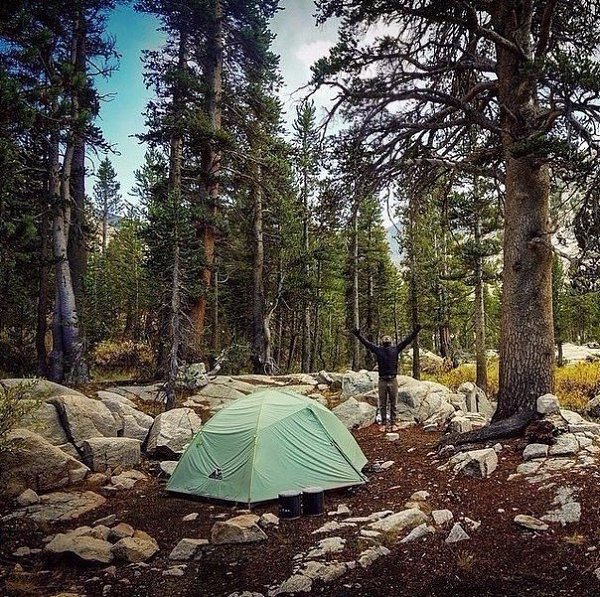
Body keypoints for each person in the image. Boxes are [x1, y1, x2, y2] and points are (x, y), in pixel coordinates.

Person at [352, 326, 422, 432]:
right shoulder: (391, 349)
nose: (386, 341)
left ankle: (392, 423)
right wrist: (415, 332)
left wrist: (358, 336)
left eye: (386, 340)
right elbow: (406, 341)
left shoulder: (386, 350)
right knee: (385, 403)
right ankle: (385, 423)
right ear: (389, 342)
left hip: (390, 380)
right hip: (385, 380)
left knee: (390, 403)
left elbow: (367, 344)